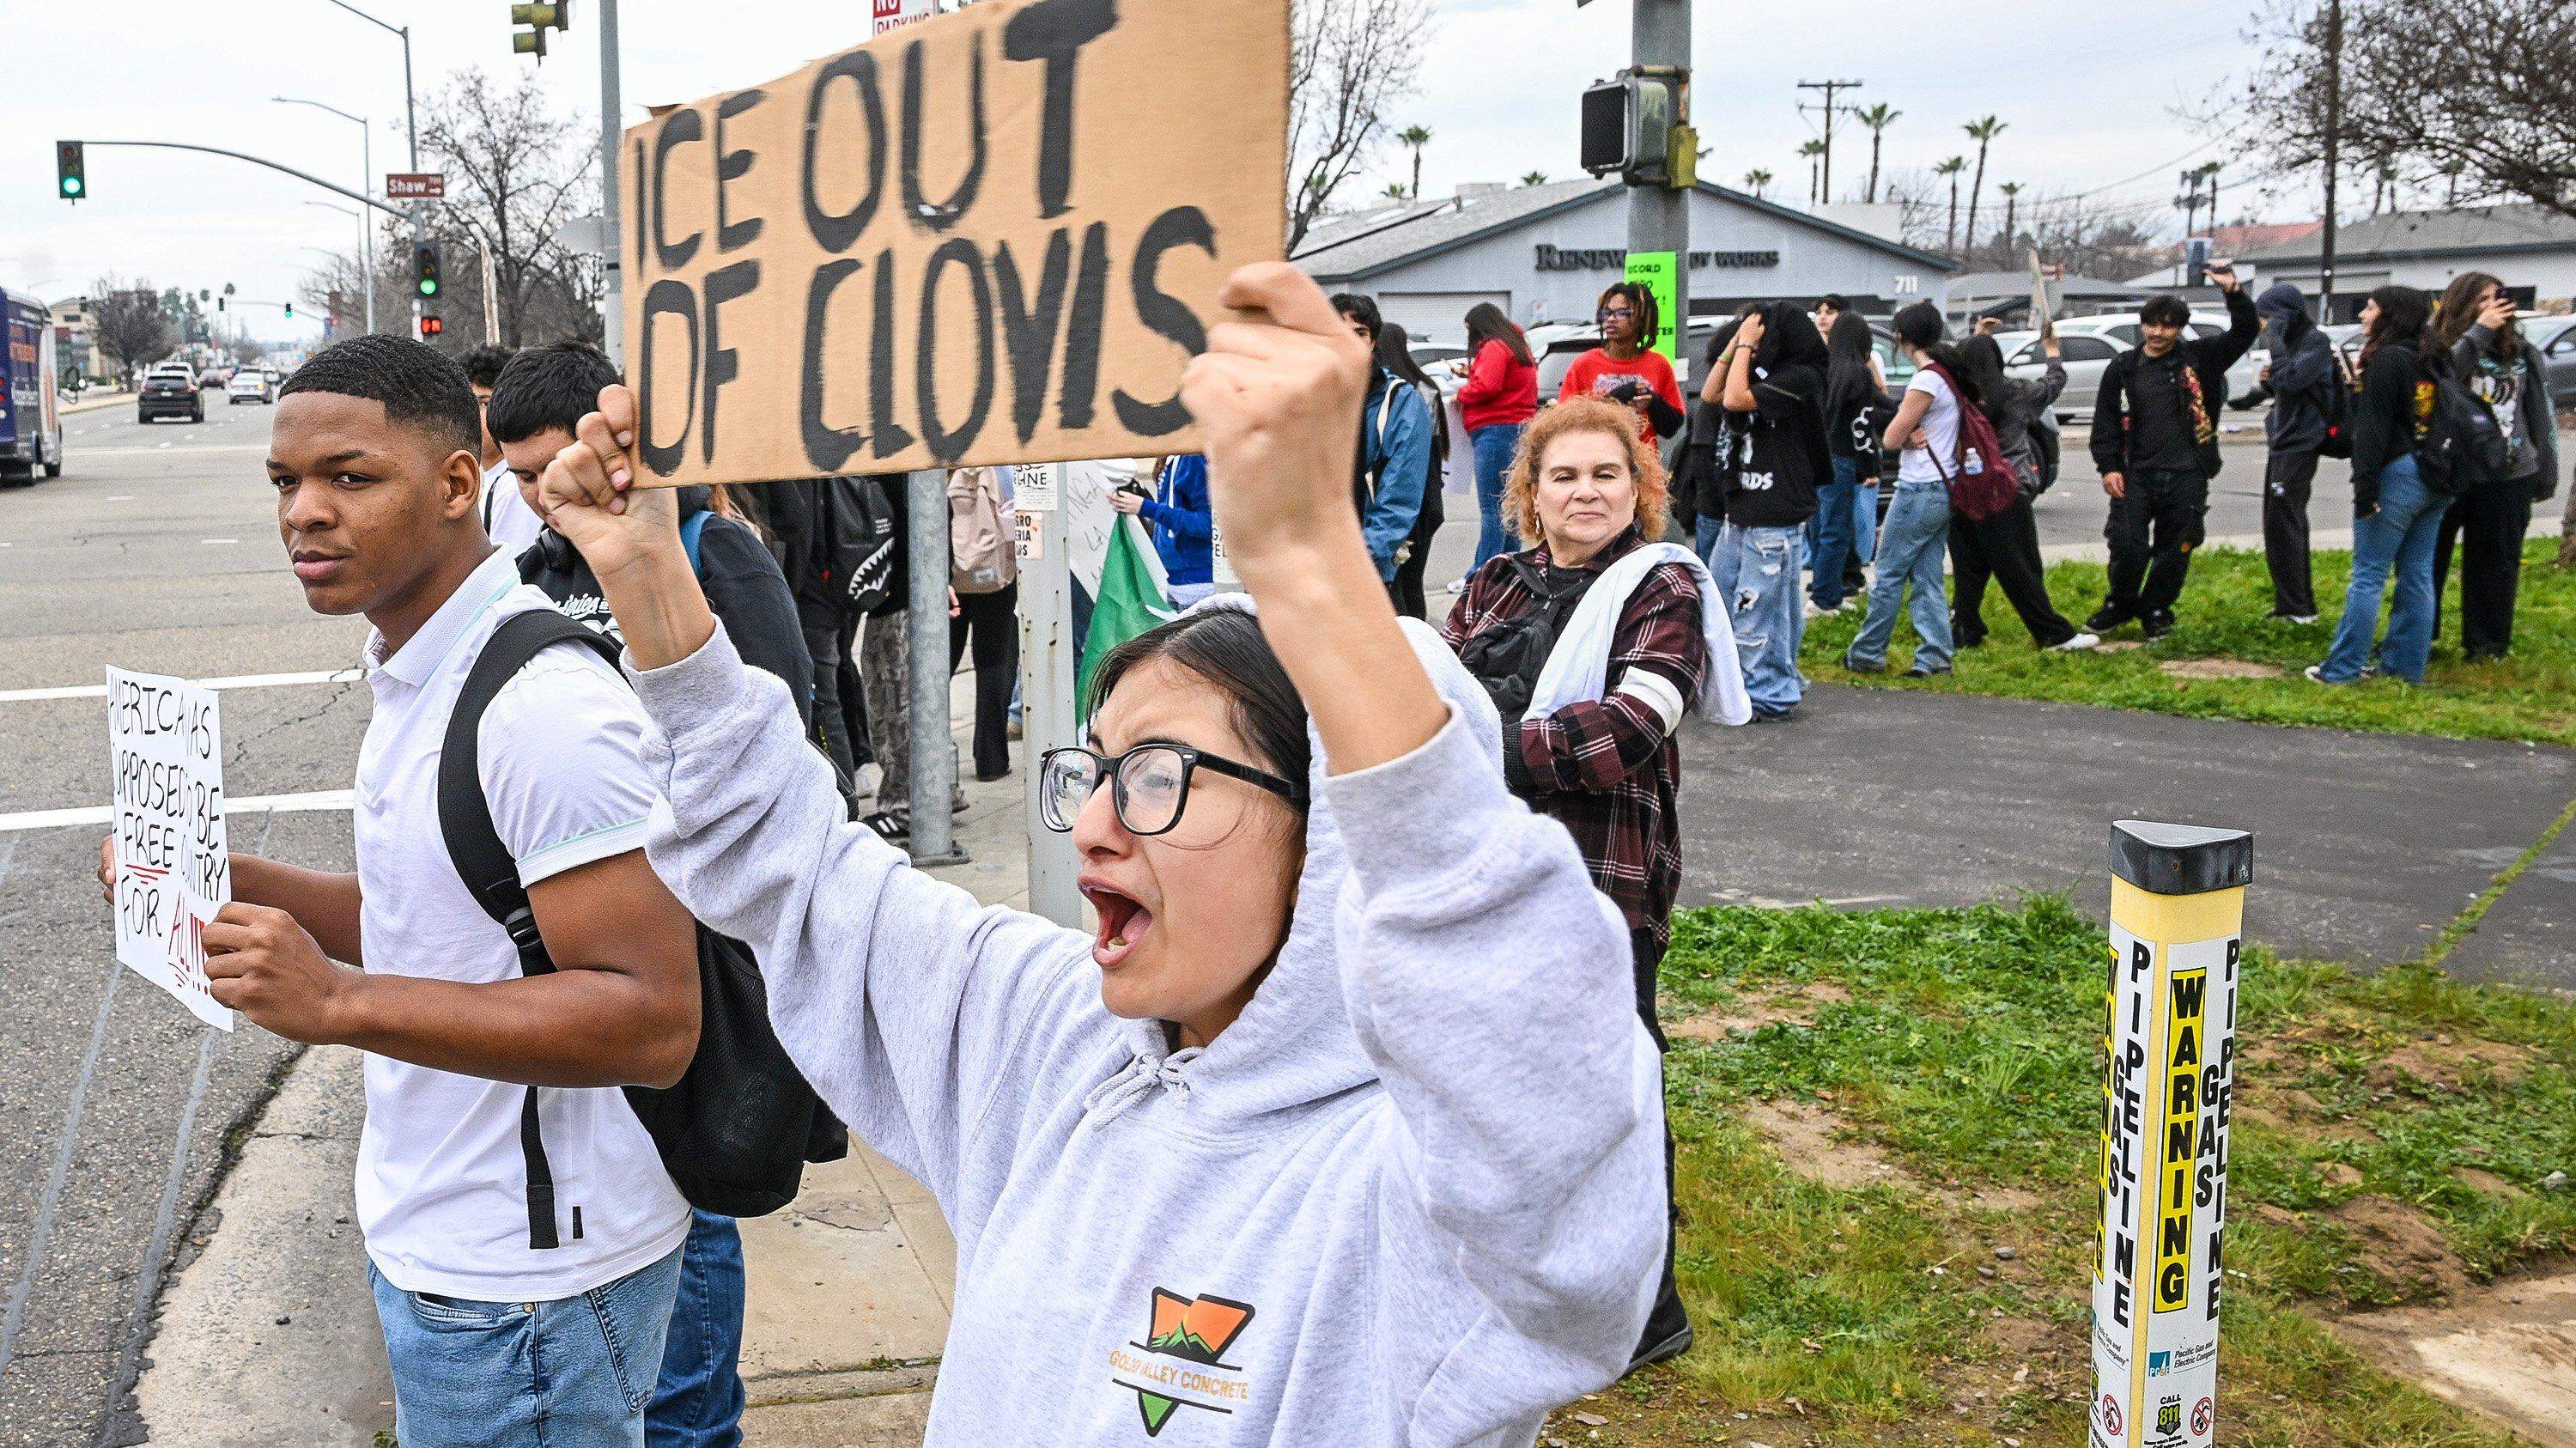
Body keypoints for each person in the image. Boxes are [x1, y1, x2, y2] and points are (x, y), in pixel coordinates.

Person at [531, 261, 1668, 1445]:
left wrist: (1314, 568)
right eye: (1096, 767)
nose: (1097, 823)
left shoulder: (1419, 1206)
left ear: (1334, 826)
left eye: (1161, 776)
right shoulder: (1055, 1037)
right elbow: (800, 871)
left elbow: (1554, 1138)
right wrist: (652, 578)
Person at [132, 335, 702, 1447]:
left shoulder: (540, 706)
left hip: (527, 1286)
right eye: (285, 482)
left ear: (456, 485)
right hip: (450, 1246)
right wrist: (244, 885)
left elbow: (652, 1019)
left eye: (351, 477)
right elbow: (449, 915)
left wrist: (337, 1002)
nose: (304, 511)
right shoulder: (420, 661)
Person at [1443, 395, 1748, 1373]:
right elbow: (1424, 699)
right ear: (1529, 493)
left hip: (1602, 881)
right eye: (1563, 476)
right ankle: (1520, 1286)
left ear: (1640, 487)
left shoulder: (1663, 589)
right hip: (1487, 874)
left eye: (1606, 474)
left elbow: (1622, 736)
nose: (1585, 492)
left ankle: (1648, 1310)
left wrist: (1479, 738)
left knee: (1615, 1092)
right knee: (1492, 1089)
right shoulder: (1495, 582)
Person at [2081, 264, 2258, 638]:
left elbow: (2245, 332)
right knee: (2128, 544)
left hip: (2188, 471)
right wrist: (2108, 466)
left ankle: (2157, 608)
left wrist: (2234, 292)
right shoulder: (2124, 367)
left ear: (2179, 328)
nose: (2159, 332)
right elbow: (2106, 421)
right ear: (2142, 325)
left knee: (2176, 547)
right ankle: (2120, 604)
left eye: (2168, 325)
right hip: (2136, 473)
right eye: (2152, 324)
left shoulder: (2200, 359)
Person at [2310, 286, 2450, 686]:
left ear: (2390, 315)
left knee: (2369, 574)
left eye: (2369, 308)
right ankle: (2405, 669)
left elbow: (2373, 431)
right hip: (2436, 473)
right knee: (2418, 574)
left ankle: (2341, 670)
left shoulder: (2388, 359)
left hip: (2399, 473)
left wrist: (2364, 489)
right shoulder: (2434, 355)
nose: (2362, 316)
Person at [1708, 302, 1831, 718]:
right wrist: (1736, 344)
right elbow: (1713, 395)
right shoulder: (1758, 370)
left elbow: (1738, 399)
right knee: (1725, 602)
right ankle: (1758, 684)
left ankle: (1768, 694)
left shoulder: (1802, 377)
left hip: (1775, 511)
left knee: (1759, 609)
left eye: (1760, 334)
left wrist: (1745, 343)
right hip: (1742, 505)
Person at [2430, 272, 2558, 660]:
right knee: (2428, 559)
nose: (2492, 307)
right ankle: (2421, 634)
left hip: (2509, 472)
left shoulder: (2521, 352)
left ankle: (2487, 645)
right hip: (2450, 470)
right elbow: (2441, 378)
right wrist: (2478, 333)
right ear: (2461, 304)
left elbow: (2541, 412)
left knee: (2496, 564)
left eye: (2497, 298)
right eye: (2482, 299)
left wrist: (2546, 468)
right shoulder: (2439, 347)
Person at [1950, 332, 2097, 653]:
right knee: (2021, 566)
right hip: (2006, 490)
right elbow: (2055, 381)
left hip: (1964, 490)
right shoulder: (2018, 392)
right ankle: (2052, 633)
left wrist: (1975, 337)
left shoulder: (1955, 396)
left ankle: (1965, 629)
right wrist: (2052, 350)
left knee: (1969, 566)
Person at [1844, 301, 1966, 678]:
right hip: (1944, 485)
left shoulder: (1926, 380)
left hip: (1919, 489)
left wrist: (1900, 433)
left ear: (1900, 337)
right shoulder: (1948, 374)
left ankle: (1867, 653)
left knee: (1889, 572)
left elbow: (1892, 437)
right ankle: (1935, 654)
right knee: (1927, 575)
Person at [2230, 281, 2340, 623]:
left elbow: (2292, 380)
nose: (2263, 326)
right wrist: (2258, 390)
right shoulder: (2294, 344)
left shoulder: (2314, 342)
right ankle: (2288, 602)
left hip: (2301, 440)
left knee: (2286, 520)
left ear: (2284, 316)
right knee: (2275, 523)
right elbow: (2283, 383)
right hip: (2283, 437)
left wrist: (2275, 346)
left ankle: (2300, 608)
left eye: (2267, 318)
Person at [1329, 295, 1435, 592]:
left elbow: (1399, 496)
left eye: (1360, 333)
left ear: (1373, 341)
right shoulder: (1308, 397)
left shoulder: (1400, 402)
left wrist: (1358, 560)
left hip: (1365, 567)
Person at [1811, 308, 1889, 614]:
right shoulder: (1857, 373)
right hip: (1842, 459)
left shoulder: (1823, 370)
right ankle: (1825, 599)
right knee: (1838, 531)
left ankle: (1824, 589)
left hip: (1818, 459)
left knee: (1821, 529)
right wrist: (1870, 466)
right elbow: (1862, 426)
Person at [945, 465, 1019, 782]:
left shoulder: (936, 465)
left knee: (938, 667)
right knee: (994, 664)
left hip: (948, 579)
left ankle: (932, 756)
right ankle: (991, 760)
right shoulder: (999, 466)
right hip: (994, 579)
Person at [1455, 301, 1540, 573]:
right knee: (1509, 504)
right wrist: (1473, 374)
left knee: (1492, 507)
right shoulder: (1515, 343)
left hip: (1495, 430)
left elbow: (1488, 386)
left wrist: (1461, 393)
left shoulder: (1494, 346)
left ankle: (1482, 573)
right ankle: (1508, 568)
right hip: (1518, 429)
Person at [1376, 321, 1451, 618]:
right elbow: (1437, 448)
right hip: (1428, 498)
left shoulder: (1385, 393)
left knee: (1392, 586)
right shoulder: (1427, 389)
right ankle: (1421, 645)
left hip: (1395, 497)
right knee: (1413, 583)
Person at [1558, 282, 1686, 446]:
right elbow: (1564, 422)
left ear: (1641, 318)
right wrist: (1620, 395)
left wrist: (1653, 401)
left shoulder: (1659, 364)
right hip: (1596, 459)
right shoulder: (1584, 364)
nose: (1611, 319)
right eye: (1607, 313)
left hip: (1643, 464)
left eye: (1621, 313)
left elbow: (1671, 428)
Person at [463, 343, 544, 556]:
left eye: (484, 404)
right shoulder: (486, 478)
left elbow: (515, 570)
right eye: (467, 404)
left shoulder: (514, 485)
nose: (473, 415)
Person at [1112, 454, 1216, 607]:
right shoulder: (1171, 457)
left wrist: (1147, 508)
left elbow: (1208, 524)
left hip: (1197, 586)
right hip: (1171, 581)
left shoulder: (1192, 457)